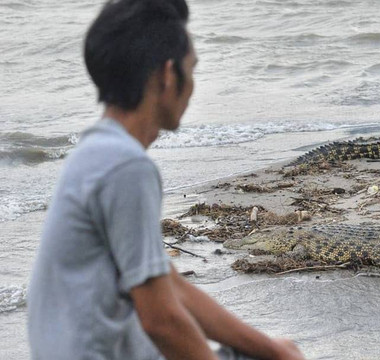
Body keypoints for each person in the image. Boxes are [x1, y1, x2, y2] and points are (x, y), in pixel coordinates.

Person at [26, 0, 305, 359]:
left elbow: (171, 287)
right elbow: (161, 320)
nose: (193, 86)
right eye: (192, 69)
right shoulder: (126, 167)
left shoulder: (95, 152)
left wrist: (273, 349)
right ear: (168, 74)